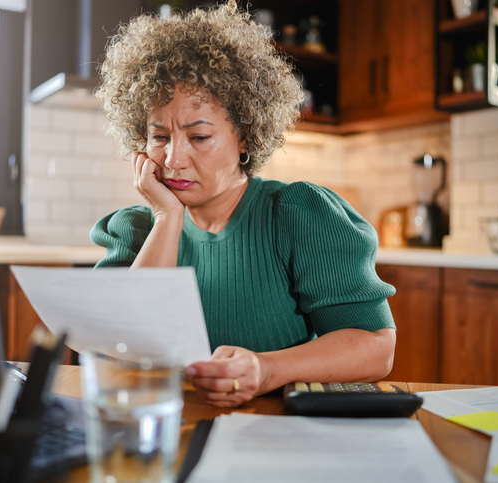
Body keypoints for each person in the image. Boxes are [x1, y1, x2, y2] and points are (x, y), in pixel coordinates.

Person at [91, 1, 396, 408]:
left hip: (277, 435)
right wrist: (167, 218)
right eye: (159, 137)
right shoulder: (136, 230)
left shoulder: (298, 214)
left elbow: (376, 347)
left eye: (199, 137)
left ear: (245, 137)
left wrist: (267, 369)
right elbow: (117, 350)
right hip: (168, 430)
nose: (173, 158)